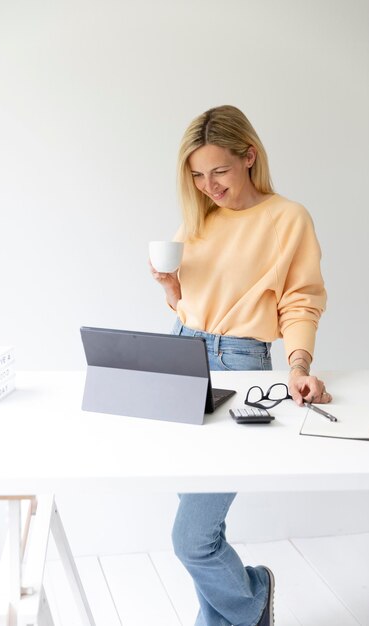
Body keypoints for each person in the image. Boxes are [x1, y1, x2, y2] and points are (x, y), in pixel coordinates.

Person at [150, 105, 331, 626]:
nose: (209, 185)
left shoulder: (285, 217)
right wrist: (172, 289)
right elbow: (194, 303)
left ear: (248, 156)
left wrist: (297, 365)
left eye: (219, 171)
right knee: (201, 528)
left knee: (191, 539)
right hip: (181, 354)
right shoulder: (199, 218)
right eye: (198, 175)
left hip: (241, 363)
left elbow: (301, 299)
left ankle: (252, 599)